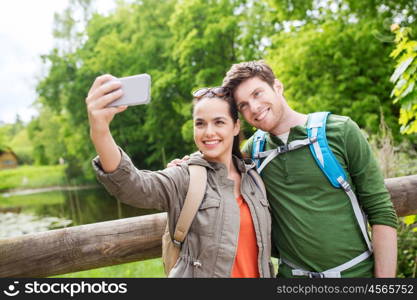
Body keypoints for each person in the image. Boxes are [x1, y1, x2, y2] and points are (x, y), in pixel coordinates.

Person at [221, 60, 398, 278]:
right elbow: (216, 170)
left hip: (356, 275)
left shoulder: (340, 131)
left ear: (277, 87)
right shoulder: (252, 153)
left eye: (257, 94)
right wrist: (187, 167)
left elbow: (381, 211)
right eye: (243, 105)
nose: (254, 108)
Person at [85, 74, 274, 278]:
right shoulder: (185, 177)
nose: (208, 132)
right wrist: (100, 130)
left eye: (219, 122)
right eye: (200, 124)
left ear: (235, 126)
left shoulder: (254, 177)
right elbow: (133, 186)